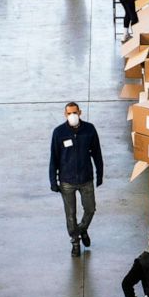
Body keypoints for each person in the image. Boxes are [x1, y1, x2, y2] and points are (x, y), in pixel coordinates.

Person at [50, 102, 104, 257]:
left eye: (75, 112)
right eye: (69, 113)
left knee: (90, 209)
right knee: (70, 214)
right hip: (67, 181)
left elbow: (97, 154)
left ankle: (82, 229)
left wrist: (99, 174)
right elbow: (54, 158)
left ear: (80, 112)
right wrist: (53, 181)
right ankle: (75, 242)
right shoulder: (59, 132)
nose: (72, 115)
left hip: (86, 178)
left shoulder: (89, 129)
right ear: (65, 114)